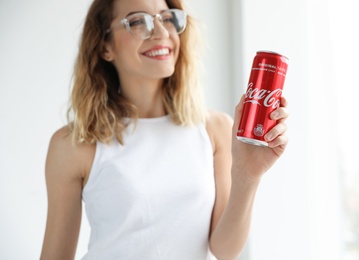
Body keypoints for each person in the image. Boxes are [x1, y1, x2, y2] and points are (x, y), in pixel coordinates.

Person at [40, 0, 289, 259]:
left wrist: (247, 176)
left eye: (168, 18)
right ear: (105, 47)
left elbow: (225, 250)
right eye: (138, 21)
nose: (161, 33)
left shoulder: (215, 130)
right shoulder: (73, 144)